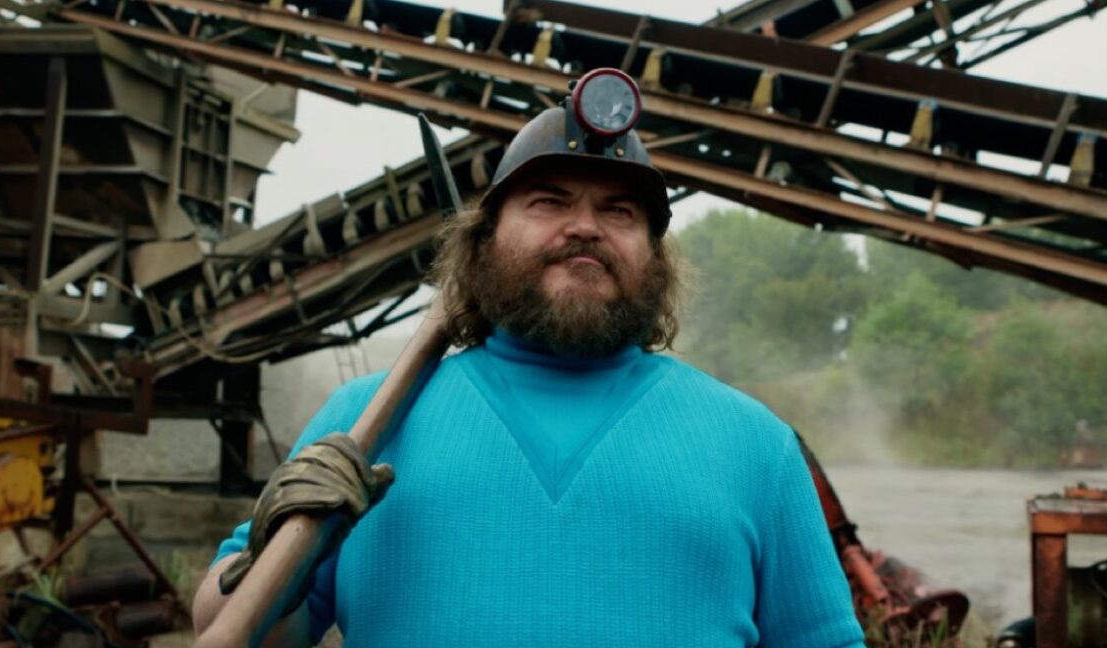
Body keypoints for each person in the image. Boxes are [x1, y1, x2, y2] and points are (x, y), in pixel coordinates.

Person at [193, 69, 865, 647]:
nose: (585, 226)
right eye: (549, 202)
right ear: (483, 241)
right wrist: (267, 560)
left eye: (620, 211)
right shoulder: (361, 423)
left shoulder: (755, 445)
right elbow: (226, 628)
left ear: (655, 259)